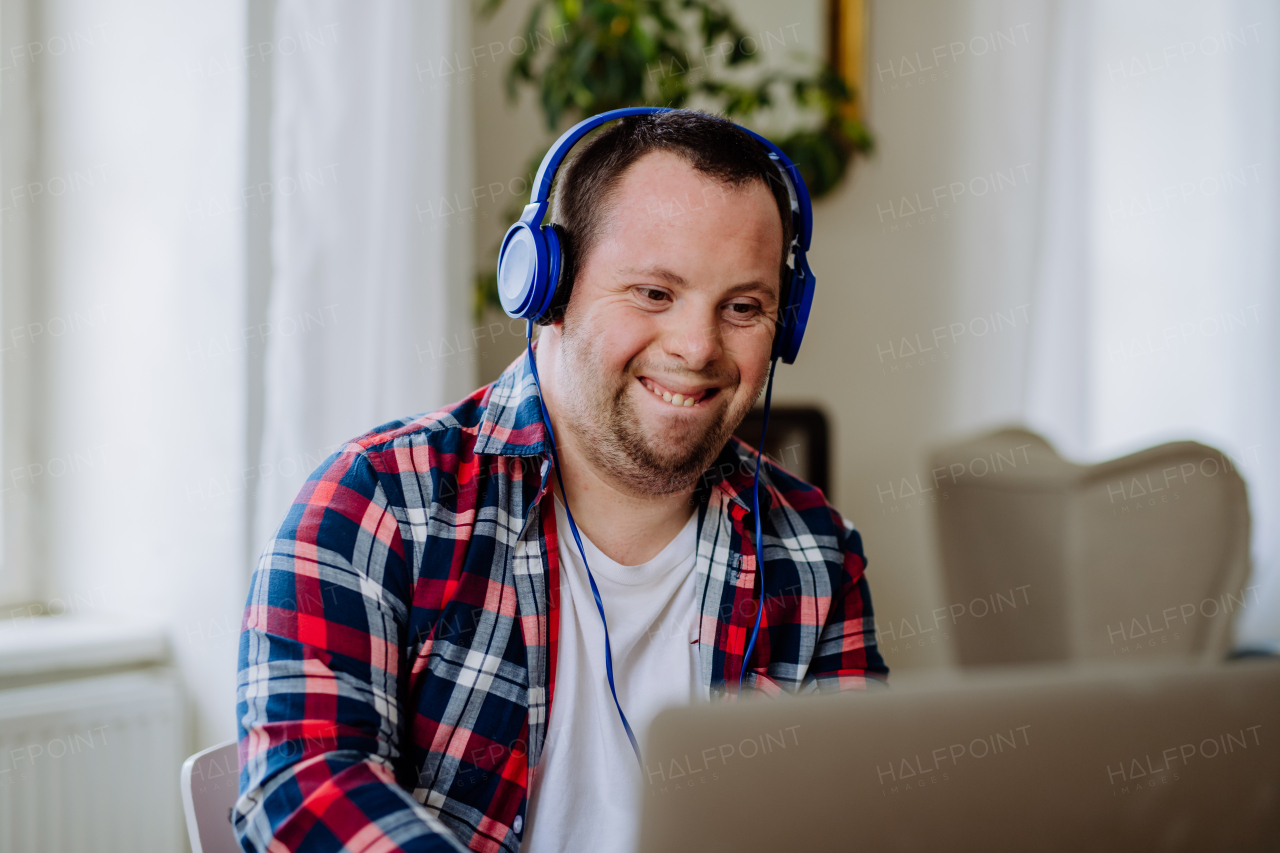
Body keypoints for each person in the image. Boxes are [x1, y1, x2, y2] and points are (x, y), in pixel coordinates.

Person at [234, 109, 887, 853]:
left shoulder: (815, 552)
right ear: (545, 286)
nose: (698, 346)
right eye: (652, 292)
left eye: (742, 307)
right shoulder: (379, 503)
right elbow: (299, 788)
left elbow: (850, 818)